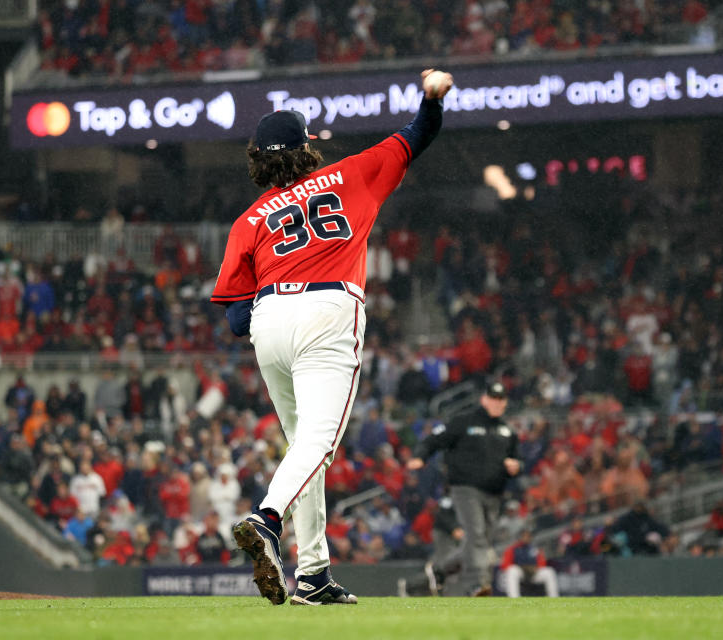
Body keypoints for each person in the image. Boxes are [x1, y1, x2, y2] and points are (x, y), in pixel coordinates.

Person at [211, 68, 453, 606]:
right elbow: (419, 133)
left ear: (259, 159)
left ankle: (314, 574)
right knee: (320, 441)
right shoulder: (351, 174)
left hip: (268, 320)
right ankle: (267, 520)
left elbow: (233, 320)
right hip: (329, 306)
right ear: (307, 147)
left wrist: (278, 308)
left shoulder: (249, 220)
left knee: (304, 449)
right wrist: (432, 97)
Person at [408, 381, 521, 596]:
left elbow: (518, 459)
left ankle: (440, 570)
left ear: (505, 403)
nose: (497, 403)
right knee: (476, 535)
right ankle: (477, 584)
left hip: (494, 493)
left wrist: (517, 465)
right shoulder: (463, 421)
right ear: (484, 399)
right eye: (493, 398)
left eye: (501, 399)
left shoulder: (507, 431)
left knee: (481, 543)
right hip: (465, 489)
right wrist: (420, 456)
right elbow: (434, 439)